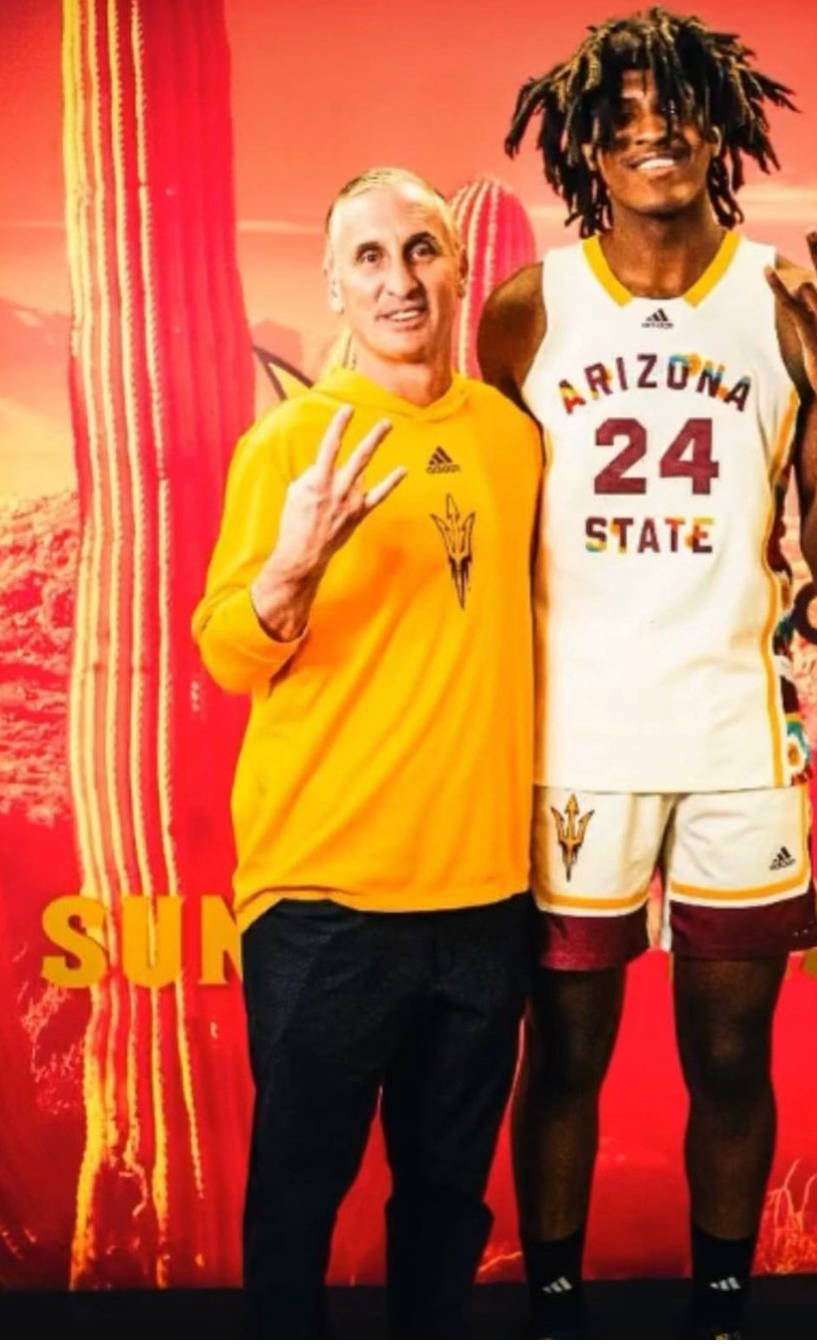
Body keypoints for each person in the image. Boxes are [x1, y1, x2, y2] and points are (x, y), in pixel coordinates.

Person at [478, 9, 817, 1337]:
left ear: (722, 132)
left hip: (730, 744)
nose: (651, 135)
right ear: (581, 147)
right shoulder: (530, 307)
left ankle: (720, 1306)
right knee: (564, 1060)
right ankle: (551, 1304)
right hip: (574, 744)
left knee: (725, 1054)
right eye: (622, 118)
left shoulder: (782, 300)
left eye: (676, 113)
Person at [192, 167, 541, 1339]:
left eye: (424, 250)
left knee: (446, 1203)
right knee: (297, 1196)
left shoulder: (507, 435)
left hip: (488, 898)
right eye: (372, 258)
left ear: (458, 267)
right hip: (329, 900)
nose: (402, 280)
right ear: (334, 286)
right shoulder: (292, 441)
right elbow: (228, 653)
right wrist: (288, 570)